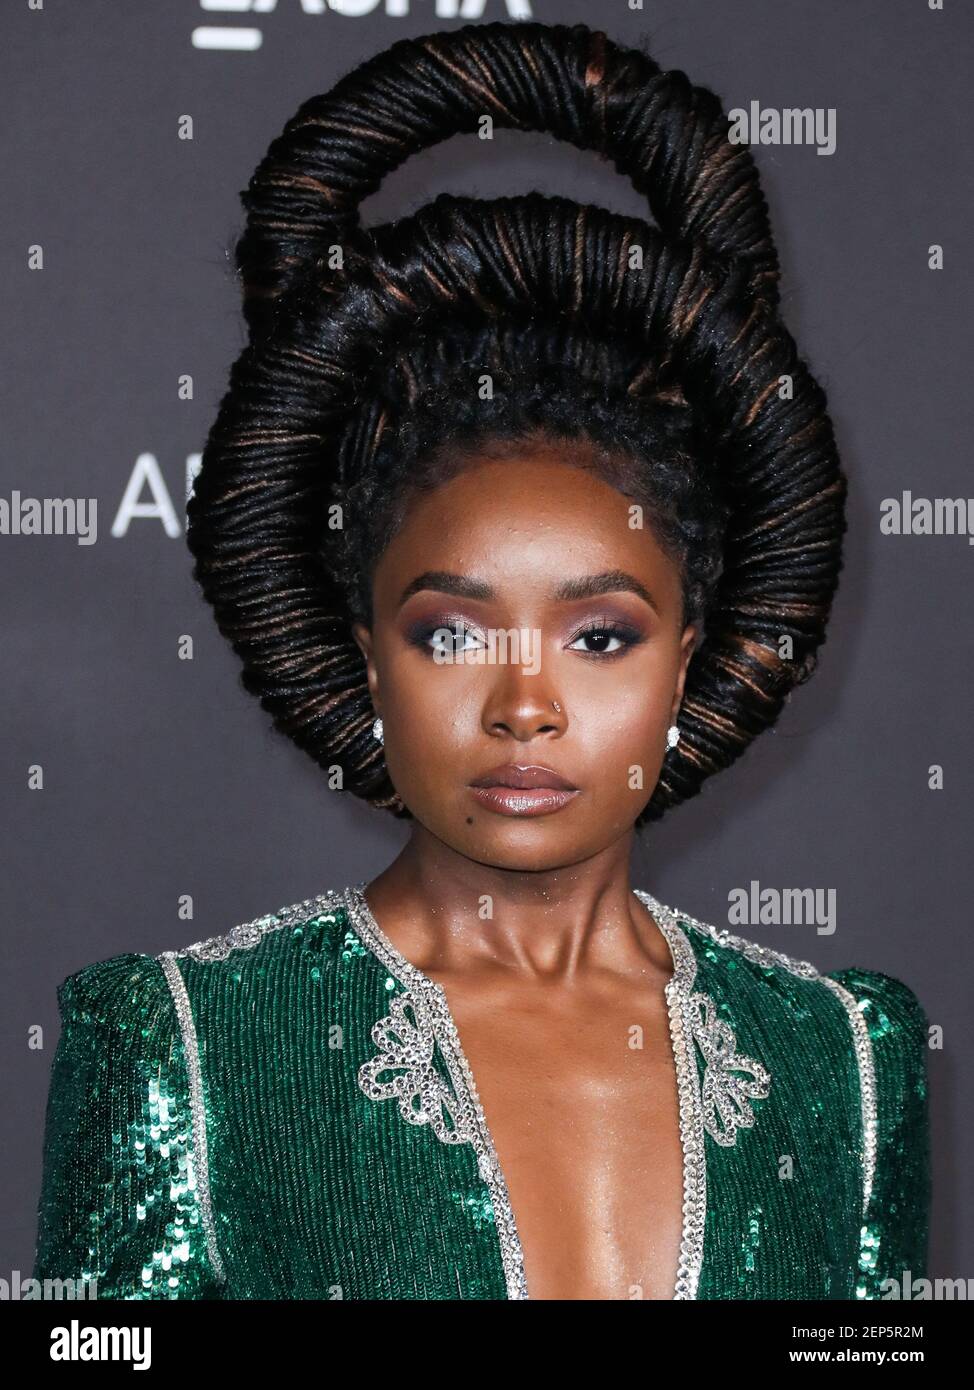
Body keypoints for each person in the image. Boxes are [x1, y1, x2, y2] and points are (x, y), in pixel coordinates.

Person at [32, 19, 930, 1301]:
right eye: (450, 631)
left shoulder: (840, 1055)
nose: (523, 704)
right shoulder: (187, 1041)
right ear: (367, 666)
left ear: (688, 660)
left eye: (600, 636)